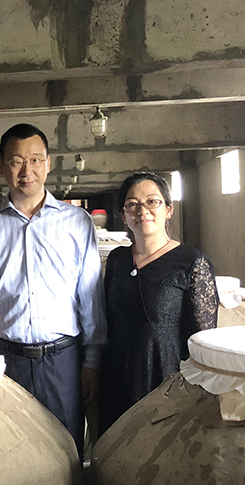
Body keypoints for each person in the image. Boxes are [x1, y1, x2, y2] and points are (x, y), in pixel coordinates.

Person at [0, 123, 105, 453]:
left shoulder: (76, 222)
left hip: (62, 361)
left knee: (65, 450)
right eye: (16, 161)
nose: (27, 171)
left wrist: (92, 361)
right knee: (5, 452)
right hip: (2, 361)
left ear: (48, 164)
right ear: (2, 166)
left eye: (35, 160)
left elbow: (89, 297)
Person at [98, 172, 218, 433]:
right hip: (117, 378)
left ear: (169, 210)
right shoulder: (117, 260)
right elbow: (109, 322)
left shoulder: (191, 263)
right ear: (123, 215)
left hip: (164, 381)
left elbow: (204, 339)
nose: (142, 211)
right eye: (132, 204)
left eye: (152, 202)